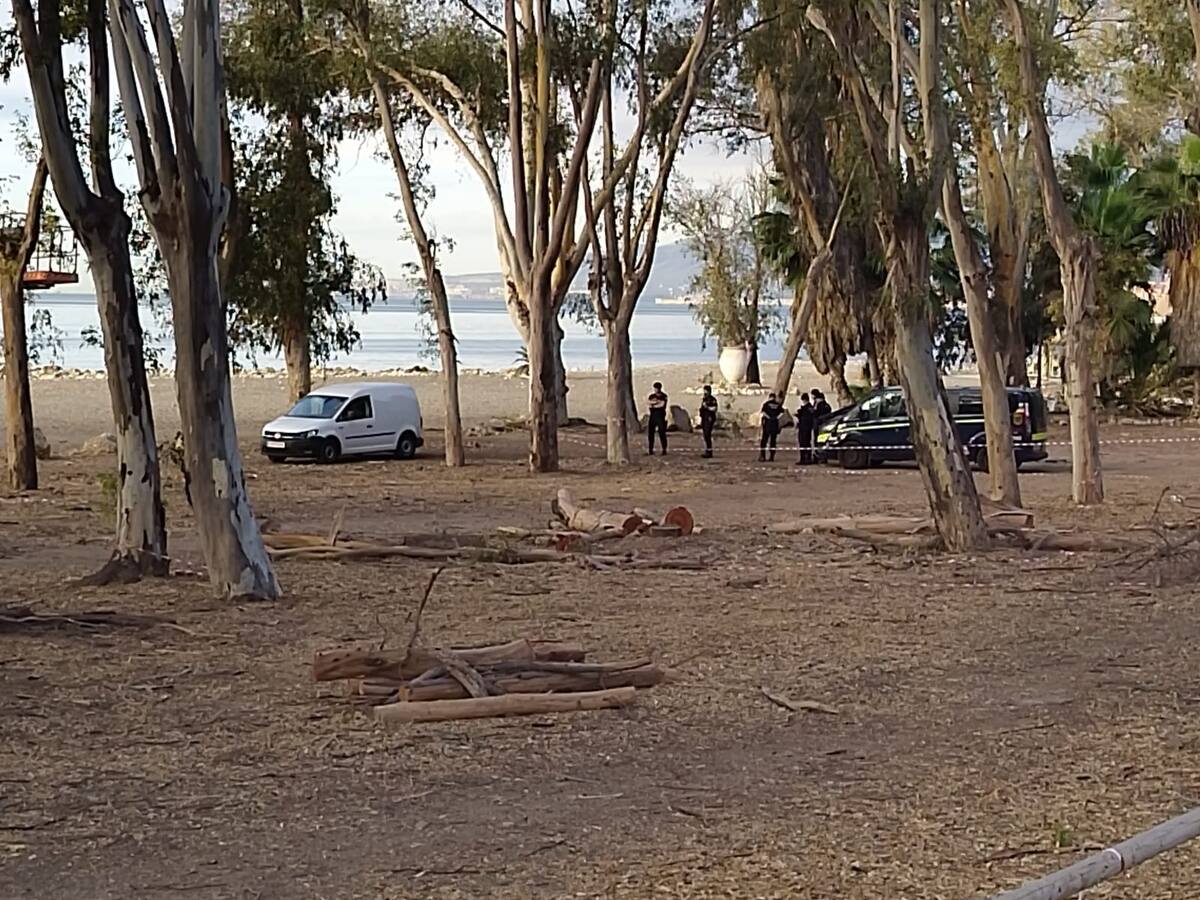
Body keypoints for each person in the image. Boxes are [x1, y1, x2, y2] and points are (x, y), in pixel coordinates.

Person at [759, 392, 785, 461]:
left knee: (764, 440)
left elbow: (763, 412)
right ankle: (772, 456)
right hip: (774, 424)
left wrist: (769, 417)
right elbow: (782, 412)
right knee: (773, 441)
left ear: (769, 397)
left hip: (767, 424)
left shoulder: (766, 404)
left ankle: (763, 456)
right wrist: (776, 417)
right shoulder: (778, 405)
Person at [647, 382, 669, 455]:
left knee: (662, 433)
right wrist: (656, 403)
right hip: (652, 416)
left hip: (660, 416)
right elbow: (649, 403)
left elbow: (662, 405)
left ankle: (664, 449)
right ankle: (650, 449)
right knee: (651, 433)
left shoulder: (664, 396)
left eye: (657, 388)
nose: (656, 390)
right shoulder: (651, 396)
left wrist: (654, 404)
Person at [795, 392, 815, 465]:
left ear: (803, 400)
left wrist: (798, 415)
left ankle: (803, 459)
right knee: (807, 443)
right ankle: (808, 458)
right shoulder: (811, 408)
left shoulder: (805, 408)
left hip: (803, 428)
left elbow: (803, 418)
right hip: (808, 428)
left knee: (803, 443)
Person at [698, 385, 719, 458]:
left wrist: (707, 407)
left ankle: (709, 451)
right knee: (705, 435)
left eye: (706, 391)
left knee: (707, 434)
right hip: (704, 418)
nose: (705, 392)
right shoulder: (704, 399)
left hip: (709, 418)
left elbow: (714, 408)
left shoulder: (712, 399)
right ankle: (707, 450)